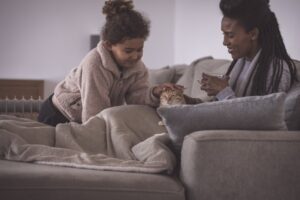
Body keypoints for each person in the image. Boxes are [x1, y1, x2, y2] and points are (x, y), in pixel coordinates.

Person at [38, 0, 180, 126]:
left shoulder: (138, 68)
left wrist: (155, 92)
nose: (135, 56)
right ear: (108, 45)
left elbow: (137, 98)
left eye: (140, 49)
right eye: (128, 50)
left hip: (85, 117)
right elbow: (93, 114)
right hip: (58, 114)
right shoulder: (94, 64)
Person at [200, 0, 298, 100]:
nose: (224, 42)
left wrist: (223, 92)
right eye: (223, 34)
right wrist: (190, 102)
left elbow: (265, 115)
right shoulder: (239, 64)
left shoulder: (277, 73)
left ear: (253, 34)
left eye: (230, 35)